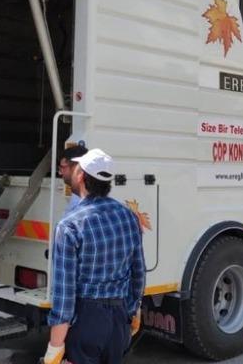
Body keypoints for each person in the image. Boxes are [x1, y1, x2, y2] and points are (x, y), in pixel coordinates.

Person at [42, 149, 146, 364]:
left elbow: (64, 294)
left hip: (86, 321)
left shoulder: (69, 226)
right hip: (119, 319)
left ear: (81, 176)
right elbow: (138, 272)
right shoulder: (128, 216)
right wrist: (132, 309)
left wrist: (55, 346)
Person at [58, 145, 88, 217]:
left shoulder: (80, 203)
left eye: (62, 168)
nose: (60, 173)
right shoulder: (78, 195)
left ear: (76, 168)